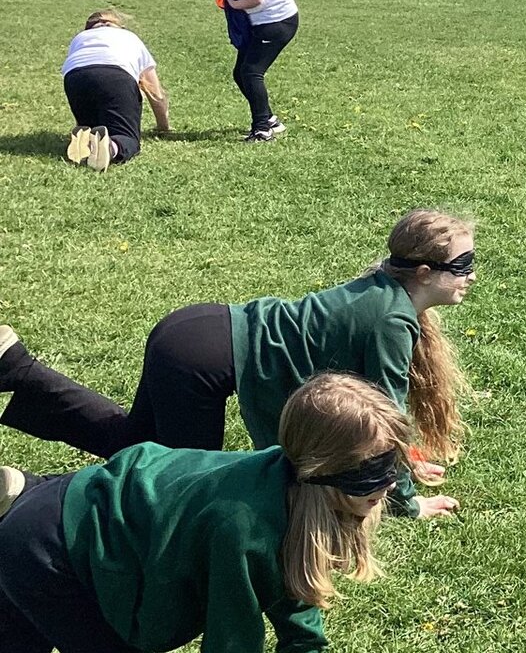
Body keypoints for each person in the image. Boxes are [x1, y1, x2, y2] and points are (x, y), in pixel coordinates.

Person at [0, 209, 473, 519]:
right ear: (424, 273)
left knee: (135, 445)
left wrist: (407, 463)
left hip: (191, 331)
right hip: (198, 362)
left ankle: (17, 370)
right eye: (462, 265)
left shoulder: (384, 293)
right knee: (179, 490)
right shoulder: (392, 319)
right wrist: (406, 502)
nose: (471, 276)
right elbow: (387, 416)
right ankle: (35, 494)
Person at [0, 373, 409, 653]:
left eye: (393, 465)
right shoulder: (246, 530)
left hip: (68, 514)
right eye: (372, 471)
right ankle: (21, 502)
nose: (390, 484)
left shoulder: (297, 488)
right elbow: (231, 640)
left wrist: (305, 644)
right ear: (320, 468)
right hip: (51, 552)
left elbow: (296, 583)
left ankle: (22, 494)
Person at [195, 0, 300, 142]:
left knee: (251, 72)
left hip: (277, 21)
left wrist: (234, 5)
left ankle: (262, 130)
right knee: (240, 73)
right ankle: (270, 120)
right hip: (262, 22)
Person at [60, 10, 171, 172]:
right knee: (128, 138)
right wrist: (163, 127)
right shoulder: (129, 37)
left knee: (95, 127)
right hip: (115, 75)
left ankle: (85, 139)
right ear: (119, 25)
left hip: (75, 77)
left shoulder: (80, 38)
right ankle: (111, 148)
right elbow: (155, 93)